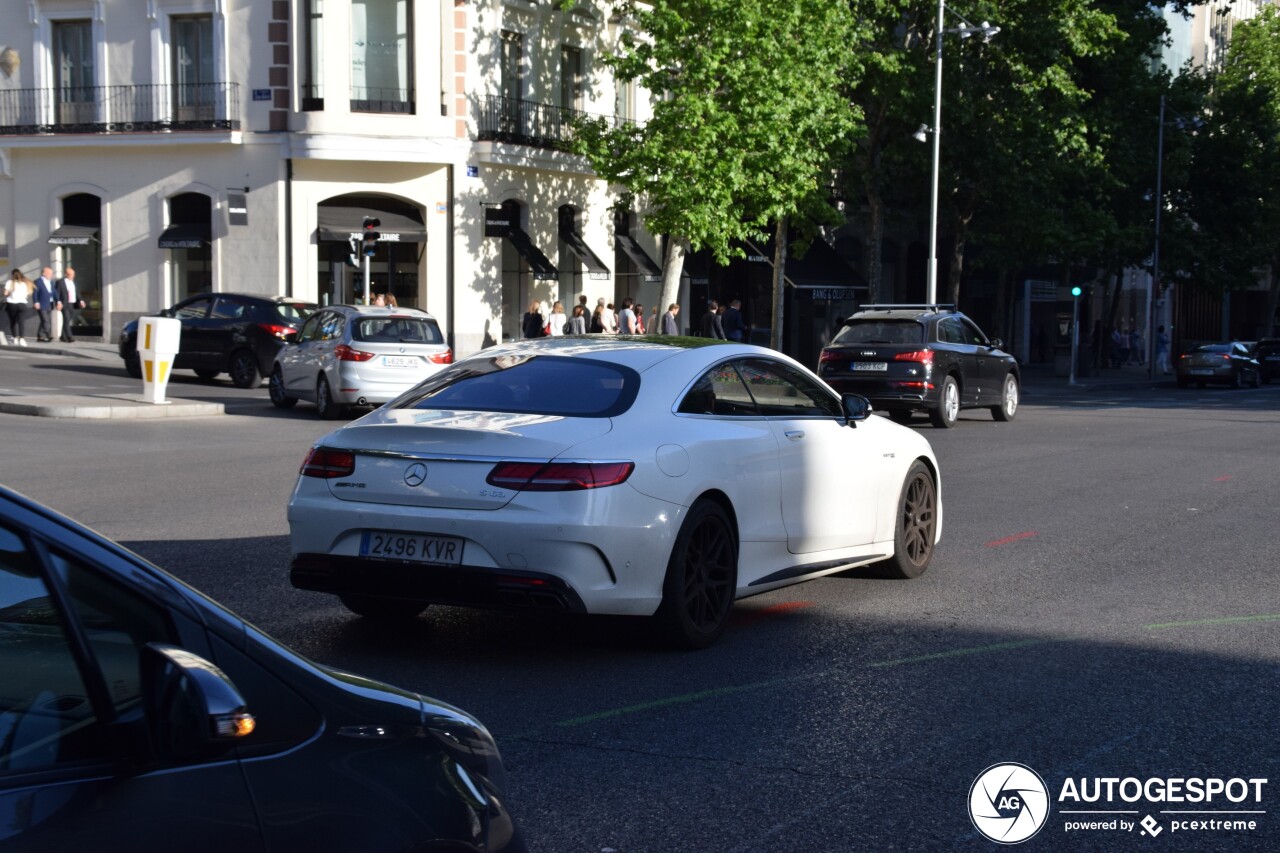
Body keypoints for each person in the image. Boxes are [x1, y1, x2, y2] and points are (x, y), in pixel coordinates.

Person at [4, 269, 34, 346]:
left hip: (12, 304)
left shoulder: (10, 282)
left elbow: (5, 293)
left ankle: (14, 338)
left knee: (13, 322)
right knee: (21, 322)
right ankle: (22, 339)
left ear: (12, 275)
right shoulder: (25, 283)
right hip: (22, 304)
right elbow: (28, 294)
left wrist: (9, 294)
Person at [55, 267, 86, 343]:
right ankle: (70, 337)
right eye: (71, 274)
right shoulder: (60, 282)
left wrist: (81, 300)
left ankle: (63, 336)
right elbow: (56, 293)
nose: (72, 276)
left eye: (73, 274)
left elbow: (77, 293)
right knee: (66, 319)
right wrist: (58, 302)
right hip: (64, 304)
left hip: (72, 303)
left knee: (67, 320)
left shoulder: (73, 282)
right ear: (66, 274)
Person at [32, 266, 57, 342]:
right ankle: (48, 335)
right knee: (45, 320)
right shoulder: (38, 281)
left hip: (50, 303)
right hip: (42, 303)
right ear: (44, 273)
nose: (51, 275)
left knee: (44, 320)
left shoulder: (51, 282)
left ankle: (40, 336)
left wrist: (58, 300)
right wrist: (36, 302)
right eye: (49, 273)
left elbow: (54, 292)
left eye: (51, 273)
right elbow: (35, 293)